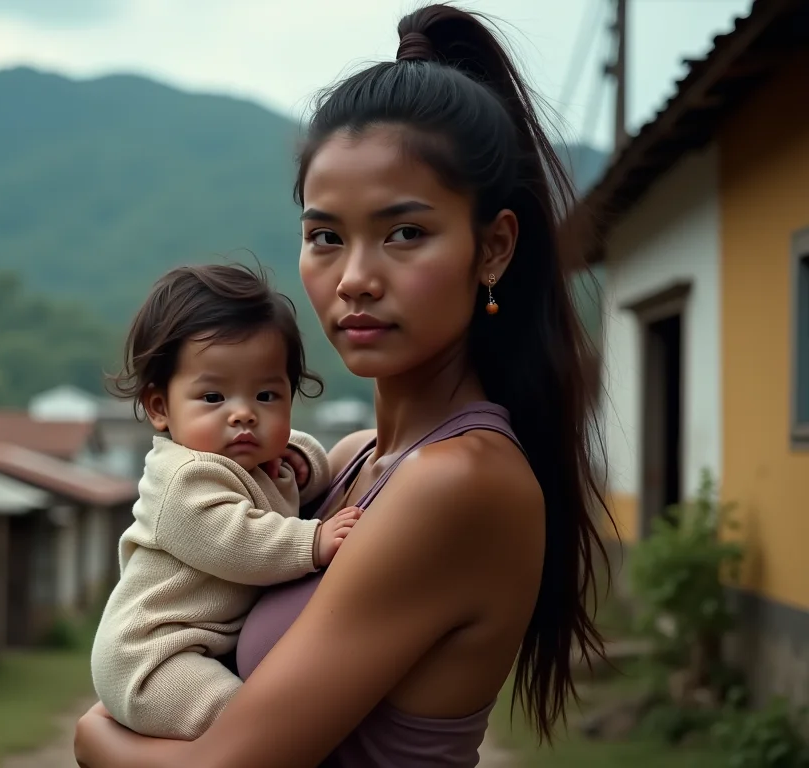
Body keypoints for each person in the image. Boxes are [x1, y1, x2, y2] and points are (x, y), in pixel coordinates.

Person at [74, 4, 610, 767]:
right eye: (326, 236)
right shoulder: (355, 458)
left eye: (404, 233)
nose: (354, 279)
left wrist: (92, 734)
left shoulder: (457, 482)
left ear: (492, 248)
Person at [91, 263, 363, 741]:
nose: (243, 414)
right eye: (214, 396)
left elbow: (307, 469)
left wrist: (300, 456)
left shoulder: (261, 460)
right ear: (160, 408)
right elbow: (236, 542)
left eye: (266, 394)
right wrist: (312, 540)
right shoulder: (184, 477)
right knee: (248, 725)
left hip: (201, 648)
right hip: (152, 658)